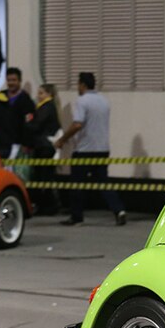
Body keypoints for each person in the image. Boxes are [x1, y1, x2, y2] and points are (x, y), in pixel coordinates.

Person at [54, 72, 126, 226]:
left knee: (77, 184)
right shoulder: (104, 101)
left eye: (78, 84)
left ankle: (76, 217)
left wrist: (62, 139)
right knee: (103, 183)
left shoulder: (82, 101)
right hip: (103, 149)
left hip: (84, 149)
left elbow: (77, 124)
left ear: (82, 85)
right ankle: (119, 210)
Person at [25, 83, 63, 215]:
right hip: (44, 145)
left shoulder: (46, 107)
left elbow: (37, 125)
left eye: (41, 93)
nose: (38, 96)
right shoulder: (47, 107)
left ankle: (49, 206)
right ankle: (47, 205)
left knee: (43, 177)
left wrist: (26, 122)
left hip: (44, 146)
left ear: (49, 94)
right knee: (44, 176)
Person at [3, 67, 34, 155]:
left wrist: (26, 143)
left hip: (18, 143)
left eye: (14, 80)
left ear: (20, 81)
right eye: (9, 80)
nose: (11, 83)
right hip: (2, 143)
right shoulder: (1, 96)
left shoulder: (26, 100)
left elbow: (29, 123)